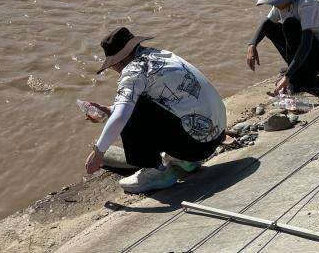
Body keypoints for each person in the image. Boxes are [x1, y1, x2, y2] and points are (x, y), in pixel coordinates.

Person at [83, 26, 227, 194]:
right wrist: (108, 110)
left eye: (112, 65)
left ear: (118, 61)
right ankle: (184, 161)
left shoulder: (133, 71)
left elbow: (122, 116)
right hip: (216, 135)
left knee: (130, 111)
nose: (114, 70)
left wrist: (99, 153)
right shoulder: (160, 54)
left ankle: (157, 171)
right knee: (133, 104)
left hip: (199, 147)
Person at [245, 0, 319, 94]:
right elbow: (266, 23)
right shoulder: (284, 2)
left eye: (275, 0)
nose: (274, 4)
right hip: (309, 53)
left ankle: (302, 76)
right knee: (271, 27)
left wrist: (288, 75)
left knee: (290, 25)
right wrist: (252, 45)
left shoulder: (306, 5)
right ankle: (299, 72)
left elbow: (306, 44)